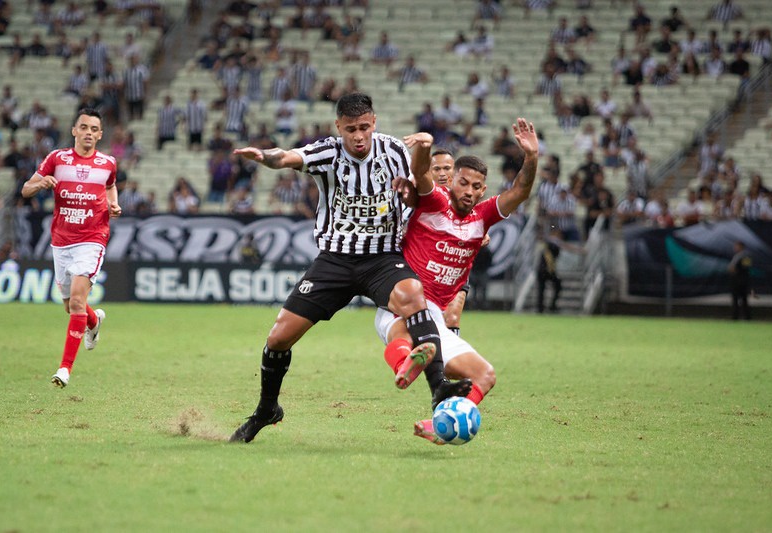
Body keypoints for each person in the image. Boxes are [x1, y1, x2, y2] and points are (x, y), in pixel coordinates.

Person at [228, 93, 470, 444]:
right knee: (278, 337)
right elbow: (288, 157)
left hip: (382, 258)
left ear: (374, 123)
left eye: (364, 128)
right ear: (338, 127)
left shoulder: (394, 152)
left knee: (412, 295)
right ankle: (267, 409)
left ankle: (438, 389)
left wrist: (418, 176)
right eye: (351, 129)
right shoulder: (327, 152)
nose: (359, 136)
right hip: (335, 261)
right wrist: (264, 157)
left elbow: (423, 187)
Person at [376, 117, 539, 444]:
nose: (469, 191)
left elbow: (520, 190)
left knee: (485, 375)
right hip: (405, 298)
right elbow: (421, 174)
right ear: (452, 181)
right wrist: (423, 147)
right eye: (463, 182)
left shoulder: (484, 216)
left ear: (483, 189)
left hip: (436, 316)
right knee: (404, 331)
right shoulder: (434, 200)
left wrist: (531, 157)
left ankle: (444, 423)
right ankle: (405, 365)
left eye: (477, 186)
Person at [20, 108, 121, 387]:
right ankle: (94, 321)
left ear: (100, 135)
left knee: (76, 301)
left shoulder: (108, 163)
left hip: (93, 237)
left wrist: (114, 203)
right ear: (74, 130)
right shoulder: (57, 158)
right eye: (84, 127)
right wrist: (41, 182)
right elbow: (25, 190)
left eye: (94, 129)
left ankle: (64, 369)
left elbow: (111, 186)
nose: (89, 132)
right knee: (70, 306)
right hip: (61, 240)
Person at [728, 241, 752, 320]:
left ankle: (747, 317)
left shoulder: (746, 256)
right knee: (735, 300)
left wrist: (735, 270)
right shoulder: (736, 256)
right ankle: (735, 317)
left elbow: (746, 268)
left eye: (737, 246)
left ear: (741, 247)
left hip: (742, 282)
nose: (735, 248)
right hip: (735, 281)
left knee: (744, 300)